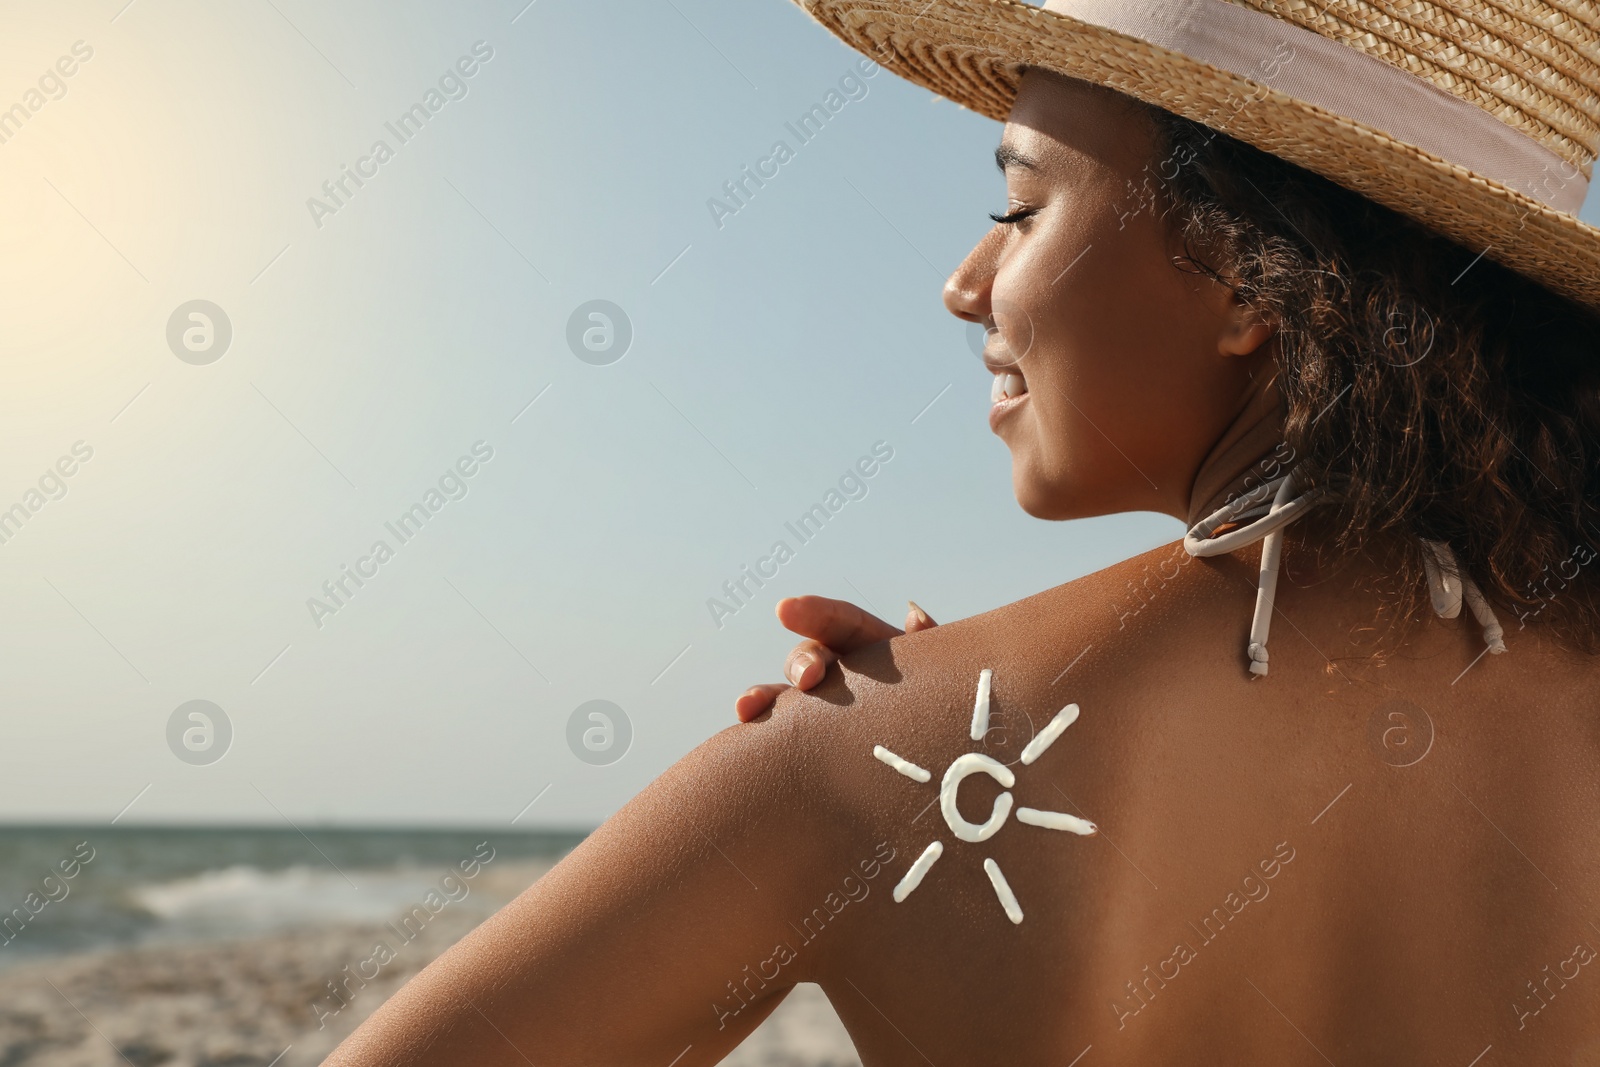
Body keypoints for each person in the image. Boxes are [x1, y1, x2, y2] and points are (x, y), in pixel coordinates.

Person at [329, 0, 1600, 1062]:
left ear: (1239, 274)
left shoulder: (865, 762)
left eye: (1020, 208)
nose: (963, 284)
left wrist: (902, 725)